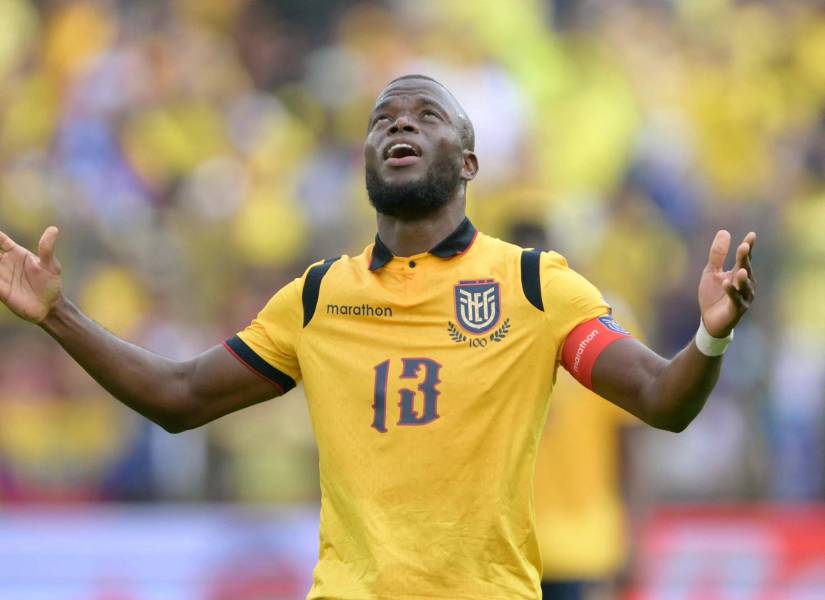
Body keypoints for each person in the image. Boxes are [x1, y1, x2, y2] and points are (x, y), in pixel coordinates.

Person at [0, 74, 756, 599]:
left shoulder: (533, 285)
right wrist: (58, 316)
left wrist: (710, 337)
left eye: (425, 115)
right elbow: (178, 396)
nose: (398, 122)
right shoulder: (320, 295)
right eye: (382, 118)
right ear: (364, 160)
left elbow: (661, 400)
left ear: (467, 163)